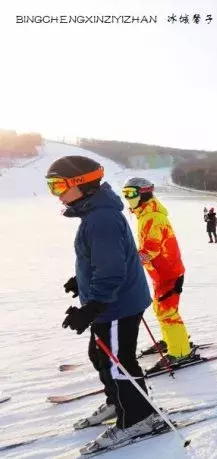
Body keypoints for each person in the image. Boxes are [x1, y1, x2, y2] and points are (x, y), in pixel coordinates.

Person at [46, 156, 158, 449]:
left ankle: (137, 417)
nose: (56, 193)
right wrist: (80, 280)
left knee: (119, 361)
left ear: (80, 184)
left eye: (58, 185)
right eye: (51, 186)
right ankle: (118, 402)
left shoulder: (100, 218)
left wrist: (93, 305)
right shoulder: (95, 213)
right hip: (111, 301)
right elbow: (103, 258)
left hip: (118, 304)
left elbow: (111, 270)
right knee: (101, 357)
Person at [121, 178, 196, 372]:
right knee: (161, 308)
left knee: (167, 312)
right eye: (125, 193)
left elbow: (149, 250)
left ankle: (180, 351)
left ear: (144, 193)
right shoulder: (145, 215)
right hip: (161, 274)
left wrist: (126, 264)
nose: (127, 198)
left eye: (131, 193)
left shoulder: (153, 217)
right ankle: (172, 340)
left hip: (169, 273)